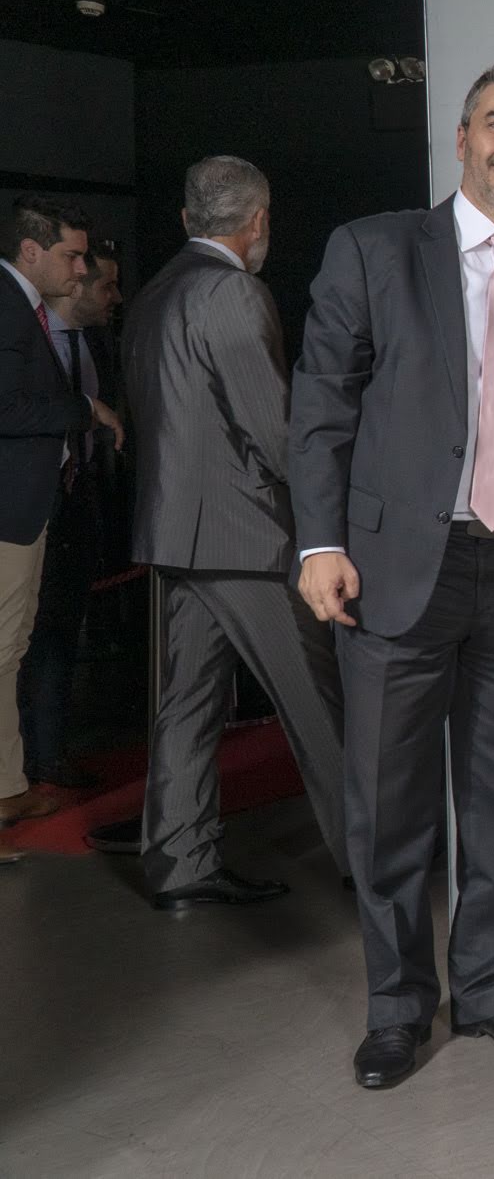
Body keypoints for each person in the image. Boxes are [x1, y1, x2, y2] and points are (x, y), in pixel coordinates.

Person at [290, 64, 494, 1090]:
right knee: (390, 804)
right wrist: (319, 543)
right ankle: (395, 1008)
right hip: (393, 568)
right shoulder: (376, 249)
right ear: (462, 137)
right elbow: (322, 404)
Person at [122, 157, 347, 909]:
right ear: (258, 221)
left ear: (188, 218)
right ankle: (379, 860)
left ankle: (181, 864)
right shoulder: (232, 291)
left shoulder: (156, 290)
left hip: (177, 535)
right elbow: (274, 432)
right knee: (318, 706)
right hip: (245, 537)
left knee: (187, 705)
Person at [0, 197, 122, 861]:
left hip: (28, 508)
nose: (81, 269)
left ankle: (7, 787)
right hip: (10, 510)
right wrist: (84, 408)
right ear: (30, 250)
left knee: (11, 649)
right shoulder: (7, 305)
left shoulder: (23, 307)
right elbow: (7, 407)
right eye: (72, 255)